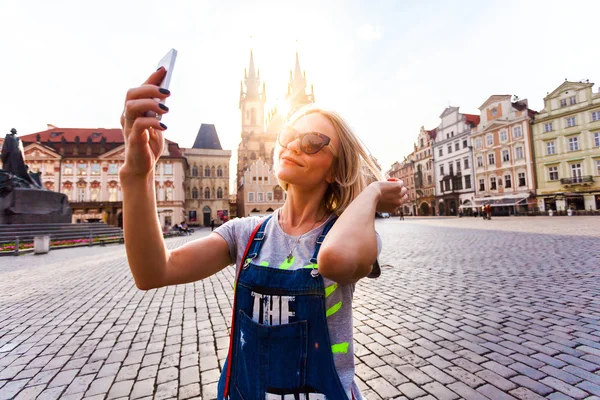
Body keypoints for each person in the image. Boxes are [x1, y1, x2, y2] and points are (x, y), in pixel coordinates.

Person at [119, 67, 407, 400]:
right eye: (288, 134)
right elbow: (154, 272)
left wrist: (369, 195)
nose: (294, 146)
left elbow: (334, 259)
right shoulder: (245, 232)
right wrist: (137, 173)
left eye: (313, 142)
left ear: (335, 168)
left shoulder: (353, 236)